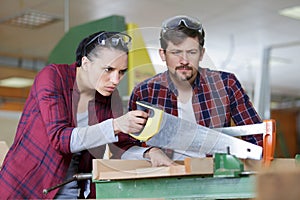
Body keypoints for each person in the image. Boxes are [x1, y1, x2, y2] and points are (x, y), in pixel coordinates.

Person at [0, 31, 153, 199]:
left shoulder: (110, 97)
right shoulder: (53, 77)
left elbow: (121, 145)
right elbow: (60, 139)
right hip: (26, 188)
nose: (115, 80)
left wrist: (149, 153)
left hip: (72, 189)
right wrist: (116, 125)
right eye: (108, 69)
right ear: (86, 63)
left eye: (121, 72)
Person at [128, 15, 263, 160]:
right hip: (163, 177)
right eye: (176, 52)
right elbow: (127, 145)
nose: (184, 61)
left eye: (192, 52)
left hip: (214, 175)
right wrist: (150, 153)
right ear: (163, 54)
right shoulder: (145, 92)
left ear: (201, 54)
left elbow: (256, 135)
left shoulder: (226, 84)